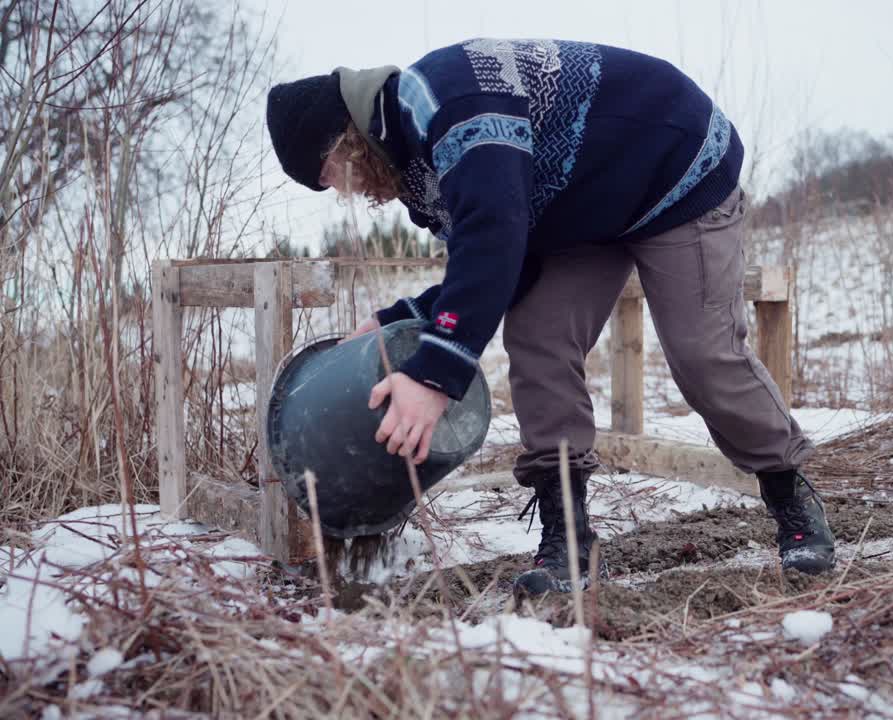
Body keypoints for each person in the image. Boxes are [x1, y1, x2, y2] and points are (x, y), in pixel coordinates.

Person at [266, 39, 835, 595]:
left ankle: (790, 497)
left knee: (700, 353)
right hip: (582, 211)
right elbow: (503, 264)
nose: (346, 191)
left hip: (674, 170)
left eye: (332, 176)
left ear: (344, 140)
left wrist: (434, 376)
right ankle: (570, 538)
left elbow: (493, 240)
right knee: (539, 341)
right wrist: (405, 316)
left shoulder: (451, 105)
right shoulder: (416, 161)